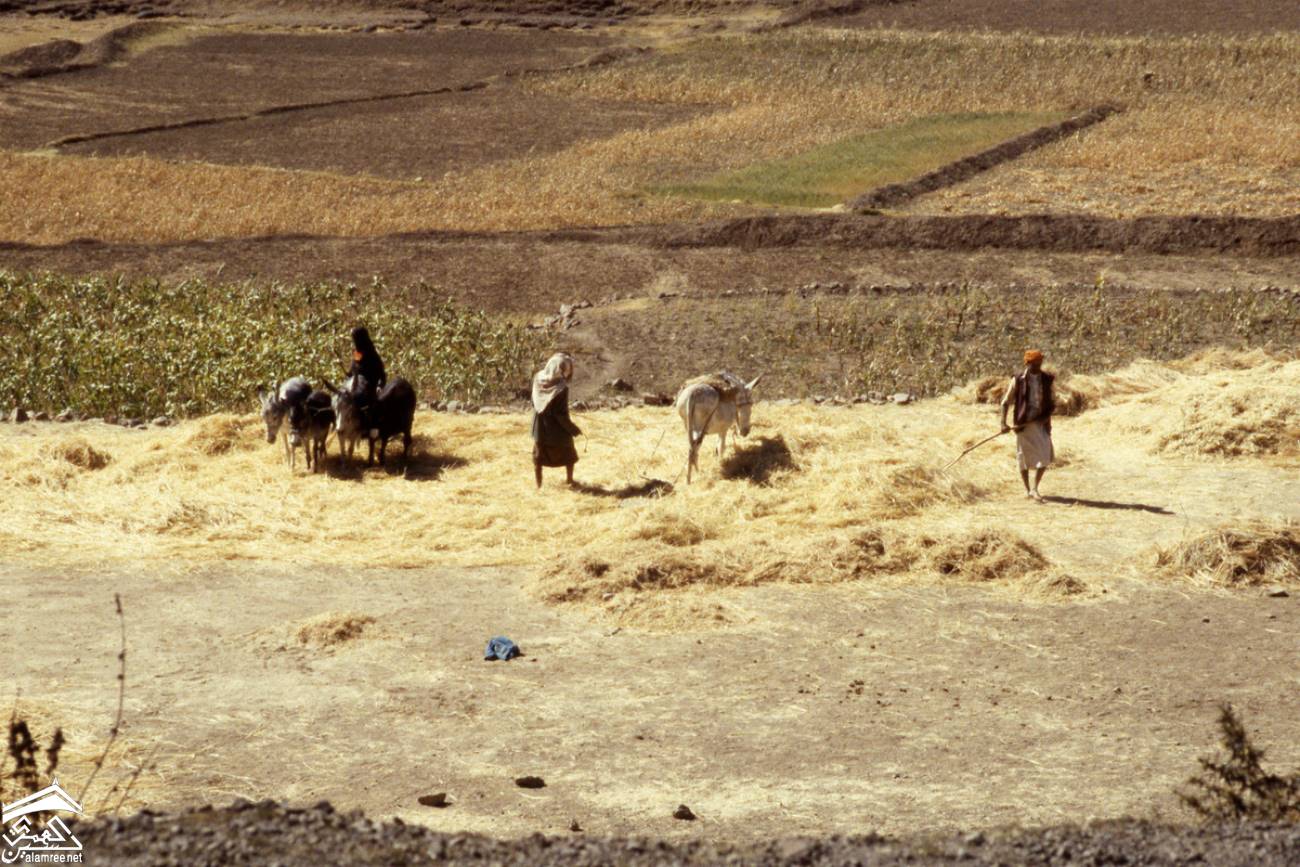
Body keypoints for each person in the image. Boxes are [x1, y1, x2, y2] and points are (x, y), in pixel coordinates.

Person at [999, 348, 1055, 501]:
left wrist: (1047, 416)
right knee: (1023, 458)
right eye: (1034, 364)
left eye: (1039, 364)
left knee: (1044, 455)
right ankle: (1028, 489)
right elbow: (1005, 402)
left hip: (1040, 423)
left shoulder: (1047, 379)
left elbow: (1052, 402)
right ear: (1027, 364)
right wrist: (1003, 423)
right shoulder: (1018, 380)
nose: (1037, 367)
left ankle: (1035, 488)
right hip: (1023, 424)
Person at [530, 352, 581, 488]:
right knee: (568, 452)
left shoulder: (538, 378)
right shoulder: (561, 388)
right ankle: (569, 481)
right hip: (557, 429)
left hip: (539, 426)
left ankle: (538, 485)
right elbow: (560, 414)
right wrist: (573, 429)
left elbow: (534, 402)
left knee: (539, 455)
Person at [347, 326, 387, 391]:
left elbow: (382, 376)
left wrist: (379, 386)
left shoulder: (372, 355)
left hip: (369, 390)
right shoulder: (358, 353)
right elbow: (353, 369)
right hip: (354, 387)